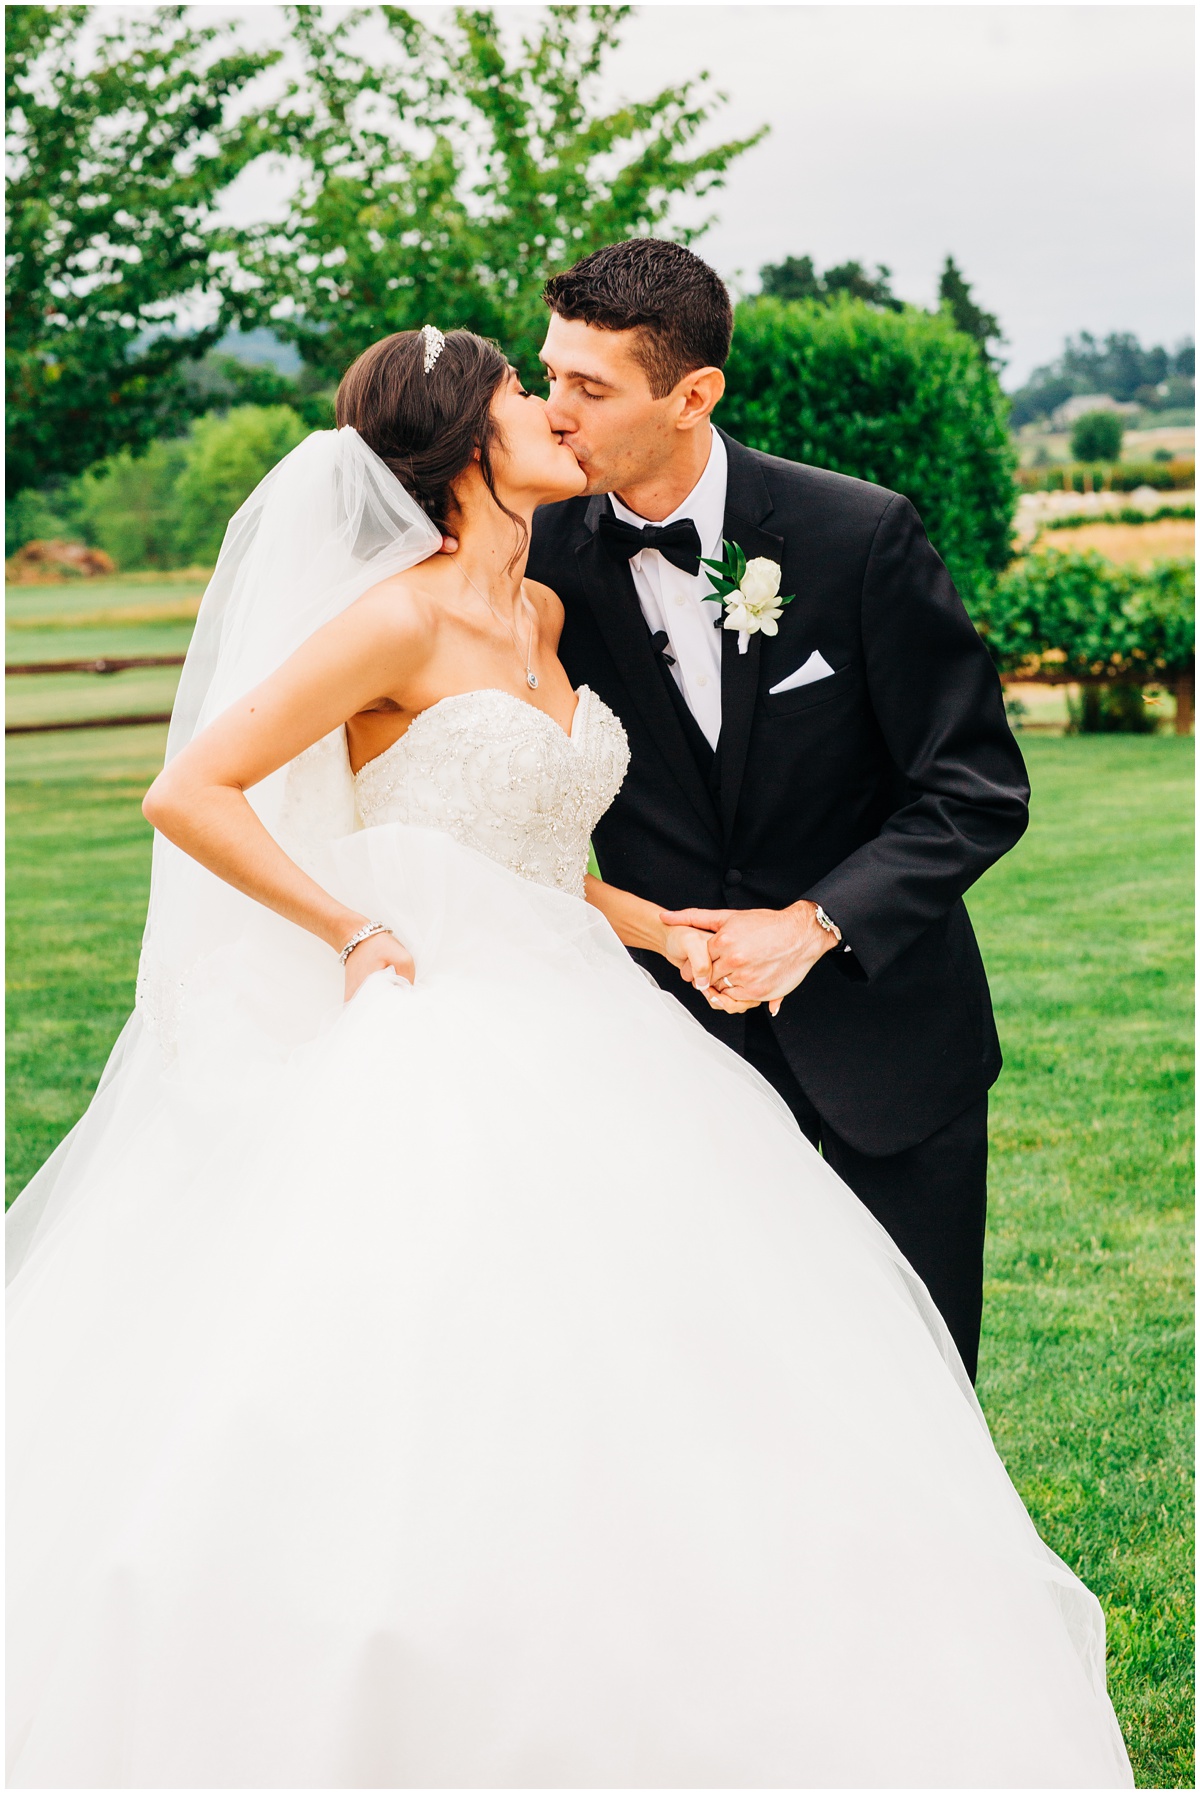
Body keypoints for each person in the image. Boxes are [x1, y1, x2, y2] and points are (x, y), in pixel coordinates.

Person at [6, 327, 1130, 1787]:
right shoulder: (391, 619)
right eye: (525, 392)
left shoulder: (544, 607)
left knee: (695, 1358)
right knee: (455, 1370)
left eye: (567, 386)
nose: (552, 410)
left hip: (588, 1005)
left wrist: (665, 928)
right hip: (443, 1029)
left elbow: (536, 851)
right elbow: (191, 790)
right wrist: (351, 926)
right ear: (467, 443)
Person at [527, 238, 1030, 1384]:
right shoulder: (537, 558)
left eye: (590, 387)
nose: (556, 411)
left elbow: (974, 787)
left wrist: (813, 925)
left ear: (692, 395)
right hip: (666, 1049)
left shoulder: (859, 535)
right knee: (714, 1391)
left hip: (891, 1038)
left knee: (914, 1382)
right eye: (551, 374)